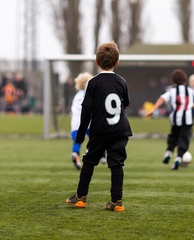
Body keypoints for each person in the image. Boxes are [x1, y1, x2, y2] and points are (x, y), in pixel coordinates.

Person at [66, 42, 132, 211]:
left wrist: (80, 137)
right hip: (120, 129)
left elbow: (86, 111)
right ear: (117, 62)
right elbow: (126, 104)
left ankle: (81, 197)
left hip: (100, 129)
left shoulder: (92, 83)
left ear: (96, 62)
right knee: (116, 163)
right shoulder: (122, 81)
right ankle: (117, 202)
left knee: (89, 160)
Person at [145, 69, 194, 170]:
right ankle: (178, 158)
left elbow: (162, 98)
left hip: (175, 120)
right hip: (187, 120)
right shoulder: (190, 91)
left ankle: (168, 153)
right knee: (184, 140)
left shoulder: (172, 91)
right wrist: (190, 106)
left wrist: (153, 109)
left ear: (173, 81)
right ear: (185, 81)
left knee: (173, 137)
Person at [70, 72, 92, 170]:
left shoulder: (77, 96)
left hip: (75, 122)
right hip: (87, 122)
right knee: (94, 139)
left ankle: (75, 154)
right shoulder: (91, 95)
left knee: (77, 141)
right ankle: (98, 155)